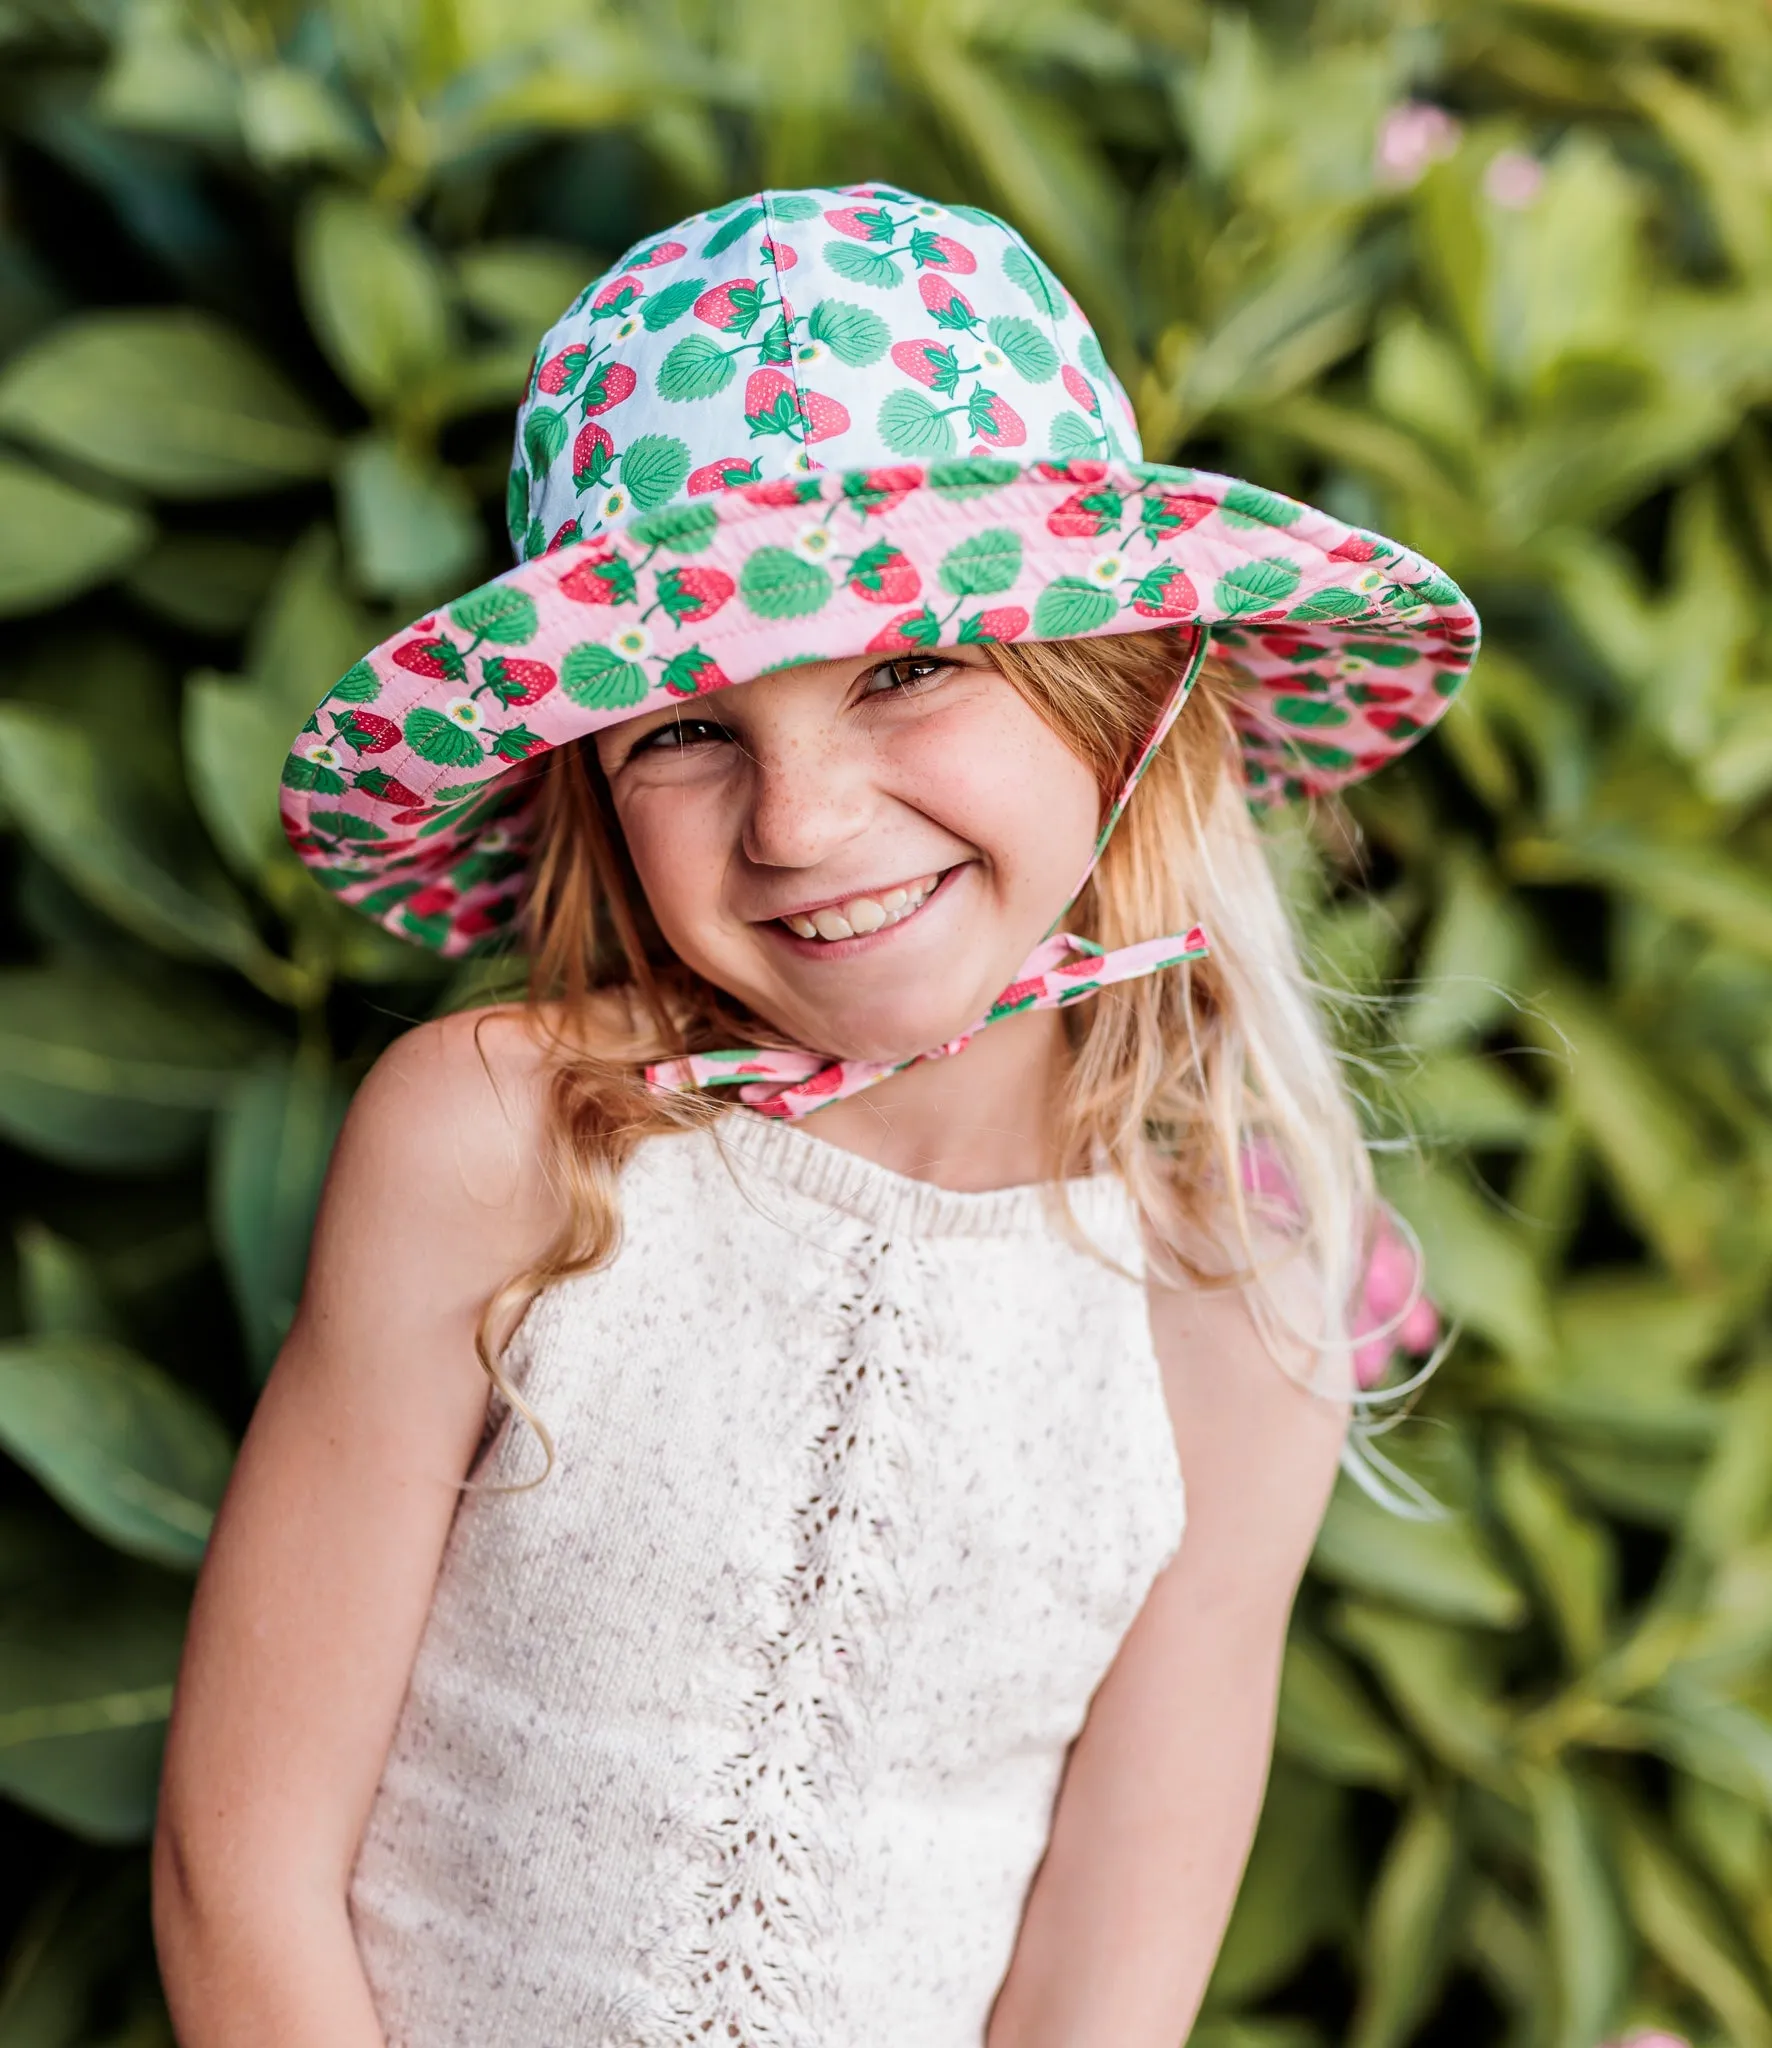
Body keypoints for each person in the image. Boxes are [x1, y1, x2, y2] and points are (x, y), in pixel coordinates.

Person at [151, 183, 1475, 2048]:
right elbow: (244, 1873)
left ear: (1118, 696)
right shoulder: (502, 1150)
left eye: (909, 669)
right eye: (685, 730)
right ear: (598, 796)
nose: (799, 822)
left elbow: (1101, 1994)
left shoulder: (1235, 1300)